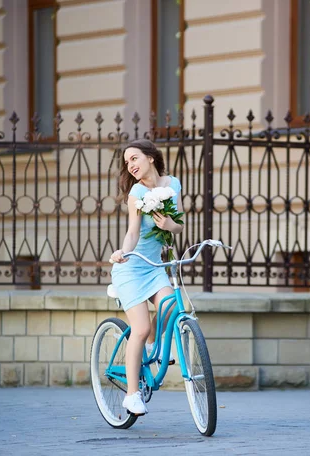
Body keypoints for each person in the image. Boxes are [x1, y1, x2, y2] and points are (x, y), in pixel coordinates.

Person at [109, 138, 183, 416]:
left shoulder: (173, 184)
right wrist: (122, 253)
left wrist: (170, 224)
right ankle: (131, 394)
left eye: (134, 158)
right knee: (139, 329)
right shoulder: (136, 193)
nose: (131, 165)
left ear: (151, 157)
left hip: (154, 266)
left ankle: (151, 344)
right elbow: (133, 232)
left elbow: (179, 224)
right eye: (127, 162)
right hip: (131, 266)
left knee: (172, 305)